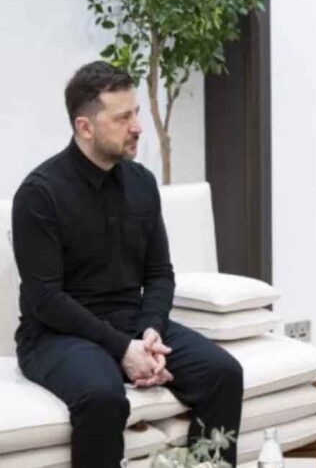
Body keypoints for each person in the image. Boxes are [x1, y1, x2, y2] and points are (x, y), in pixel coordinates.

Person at [12, 61, 244, 467]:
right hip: (56, 335)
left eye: (135, 113)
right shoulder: (39, 194)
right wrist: (123, 349)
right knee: (103, 397)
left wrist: (151, 330)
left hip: (132, 322)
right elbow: (45, 299)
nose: (137, 127)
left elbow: (159, 273)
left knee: (223, 373)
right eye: (122, 118)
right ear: (85, 127)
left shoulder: (141, 182)